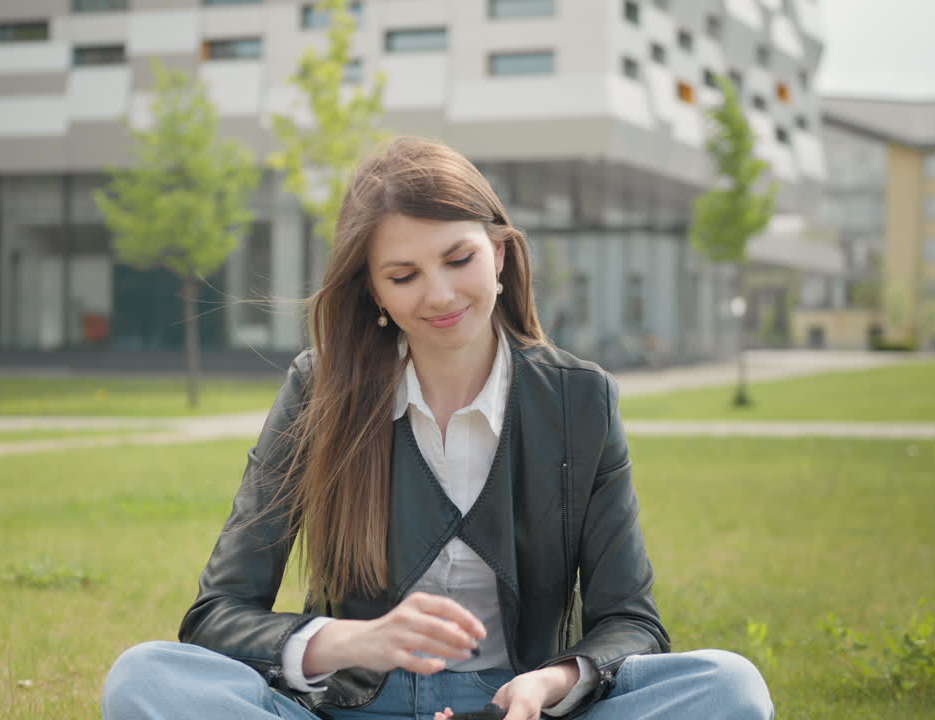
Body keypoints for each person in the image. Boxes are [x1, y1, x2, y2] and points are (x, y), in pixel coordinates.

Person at [102, 136, 774, 720]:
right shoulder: (320, 390)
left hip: (514, 706)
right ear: (374, 292)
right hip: (353, 705)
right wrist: (356, 641)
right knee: (145, 676)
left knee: (729, 688)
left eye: (459, 259)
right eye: (404, 275)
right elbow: (215, 615)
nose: (441, 295)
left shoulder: (581, 400)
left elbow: (631, 621)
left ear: (501, 253)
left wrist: (551, 681)